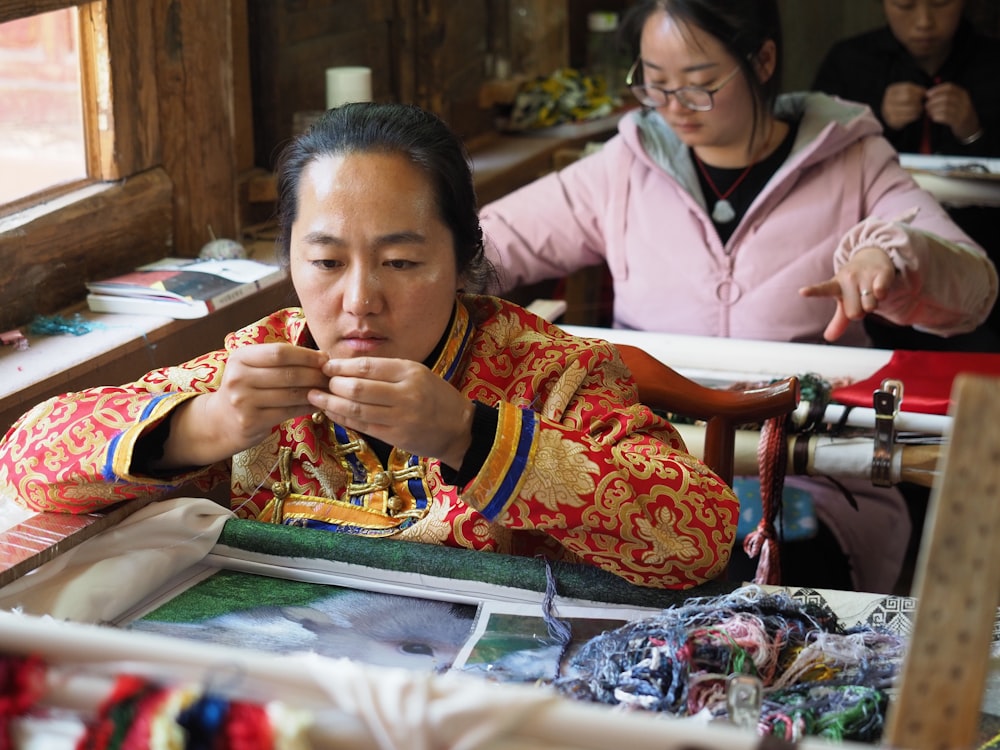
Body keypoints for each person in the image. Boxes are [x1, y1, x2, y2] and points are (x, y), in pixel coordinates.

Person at [0, 102, 739, 591]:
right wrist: (208, 427)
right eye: (325, 263)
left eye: (402, 262)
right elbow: (25, 460)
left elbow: (701, 533)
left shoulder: (551, 374)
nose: (358, 301)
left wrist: (467, 434)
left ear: (461, 258)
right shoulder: (263, 361)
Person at [478, 0, 998, 593]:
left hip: (805, 467)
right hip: (639, 464)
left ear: (764, 60)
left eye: (699, 86)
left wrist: (893, 256)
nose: (674, 106)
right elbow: (495, 241)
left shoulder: (852, 159)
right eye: (655, 82)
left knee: (764, 594)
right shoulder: (625, 166)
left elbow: (974, 289)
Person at [813, 0, 1000, 351]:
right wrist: (878, 123)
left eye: (941, 4)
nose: (924, 22)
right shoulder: (850, 61)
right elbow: (819, 160)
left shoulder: (993, 63)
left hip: (983, 251)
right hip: (866, 267)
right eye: (906, 6)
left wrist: (973, 132)